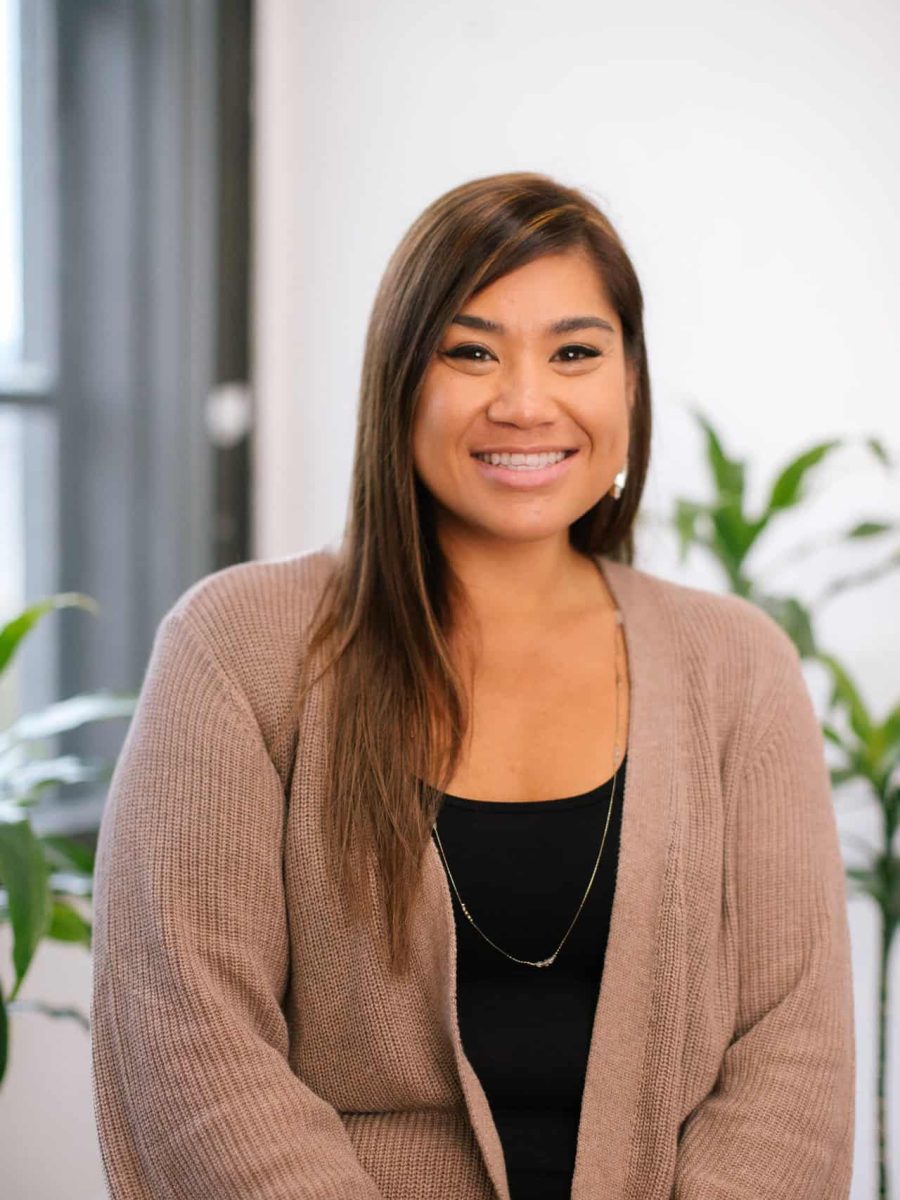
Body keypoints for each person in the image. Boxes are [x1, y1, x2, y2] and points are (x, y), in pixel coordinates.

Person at [90, 172, 855, 1200]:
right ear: (400, 379)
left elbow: (792, 1057)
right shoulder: (236, 648)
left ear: (629, 385)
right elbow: (194, 1044)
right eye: (471, 352)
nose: (526, 401)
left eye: (576, 353)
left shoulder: (739, 667)